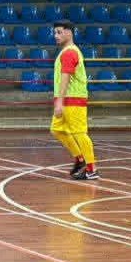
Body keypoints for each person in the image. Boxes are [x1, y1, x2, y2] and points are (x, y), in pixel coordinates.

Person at [51, 20, 98, 181]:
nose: (55, 36)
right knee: (57, 130)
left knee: (79, 133)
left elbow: (66, 77)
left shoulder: (70, 52)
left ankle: (91, 169)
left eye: (59, 32)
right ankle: (80, 159)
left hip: (73, 99)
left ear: (69, 33)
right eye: (55, 32)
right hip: (66, 99)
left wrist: (60, 101)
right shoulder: (66, 51)